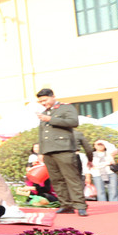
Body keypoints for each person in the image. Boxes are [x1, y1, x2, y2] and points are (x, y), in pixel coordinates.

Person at [36, 88, 87, 216]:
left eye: (45, 100)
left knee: (72, 178)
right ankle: (66, 204)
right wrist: (41, 152)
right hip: (48, 151)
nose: (43, 103)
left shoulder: (65, 108)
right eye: (41, 101)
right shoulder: (44, 113)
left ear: (53, 97)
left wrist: (50, 119)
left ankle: (80, 205)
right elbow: (42, 134)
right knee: (56, 180)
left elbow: (73, 122)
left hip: (64, 149)